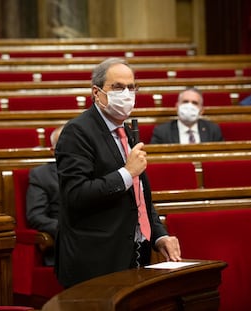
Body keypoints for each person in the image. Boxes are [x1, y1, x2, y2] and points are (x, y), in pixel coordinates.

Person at [54, 57, 182, 288]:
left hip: (134, 254)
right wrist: (126, 172)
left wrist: (159, 235)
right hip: (95, 261)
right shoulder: (77, 132)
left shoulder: (126, 130)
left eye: (131, 87)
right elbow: (76, 194)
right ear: (96, 92)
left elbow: (139, 196)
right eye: (118, 87)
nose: (127, 93)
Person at [26, 126, 63, 266]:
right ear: (53, 151)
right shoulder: (41, 176)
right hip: (63, 243)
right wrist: (67, 228)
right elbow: (36, 217)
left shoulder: (93, 170)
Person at [150, 87, 223, 144]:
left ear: (201, 110)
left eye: (194, 103)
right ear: (177, 107)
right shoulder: (162, 131)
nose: (189, 106)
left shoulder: (213, 130)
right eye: (185, 102)